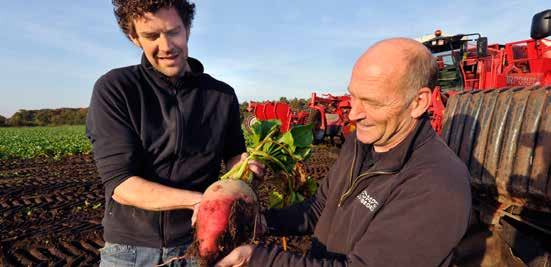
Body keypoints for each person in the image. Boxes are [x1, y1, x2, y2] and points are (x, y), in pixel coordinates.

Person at [215, 38, 472, 267]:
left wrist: (257, 259)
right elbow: (318, 210)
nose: (353, 114)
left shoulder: (437, 185)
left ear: (418, 102)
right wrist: (259, 222)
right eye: (354, 97)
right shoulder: (359, 144)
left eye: (371, 102)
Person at [85, 1, 261, 266]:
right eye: (151, 36)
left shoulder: (221, 95)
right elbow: (121, 184)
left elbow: (234, 154)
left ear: (188, 29)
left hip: (200, 244)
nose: (166, 46)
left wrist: (247, 169)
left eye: (173, 32)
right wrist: (202, 203)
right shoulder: (116, 89)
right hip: (130, 252)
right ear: (134, 38)